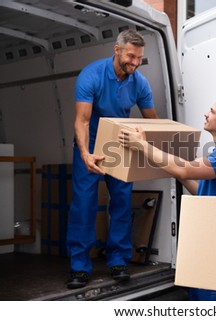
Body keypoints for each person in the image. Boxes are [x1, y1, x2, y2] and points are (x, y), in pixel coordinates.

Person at [118, 97, 216, 300]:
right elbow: (200, 190)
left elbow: (186, 168)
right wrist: (161, 160)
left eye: (212, 111)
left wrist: (143, 146)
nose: (206, 114)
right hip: (204, 244)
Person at [66, 29, 159, 289]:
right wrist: (85, 154)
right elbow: (81, 121)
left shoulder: (139, 82)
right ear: (117, 50)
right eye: (131, 56)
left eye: (139, 58)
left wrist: (149, 139)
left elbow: (153, 121)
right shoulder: (92, 75)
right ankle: (79, 266)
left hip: (120, 146)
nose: (135, 63)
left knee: (121, 202)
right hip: (90, 144)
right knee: (83, 204)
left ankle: (118, 260)